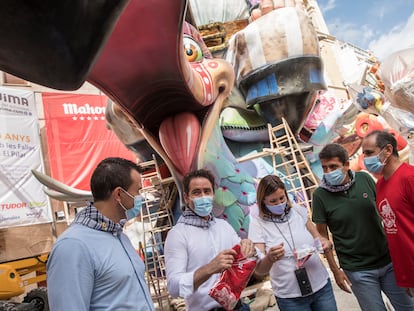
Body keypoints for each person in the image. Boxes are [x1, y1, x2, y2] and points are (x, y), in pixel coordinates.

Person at [312, 143, 414, 310]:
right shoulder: (320, 196)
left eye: (333, 166)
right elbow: (322, 236)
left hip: (388, 261)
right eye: (325, 168)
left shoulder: (364, 179)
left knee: (408, 307)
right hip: (357, 270)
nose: (329, 172)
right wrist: (335, 270)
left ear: (346, 165)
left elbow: (387, 213)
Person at [47, 157, 155, 311]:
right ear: (119, 194)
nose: (140, 198)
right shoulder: (73, 246)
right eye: (137, 191)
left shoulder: (119, 236)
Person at [164, 169, 256, 311]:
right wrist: (209, 269)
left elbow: (246, 260)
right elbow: (174, 287)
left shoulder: (223, 226)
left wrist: (248, 248)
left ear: (213, 195)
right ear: (186, 197)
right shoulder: (177, 235)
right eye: (196, 192)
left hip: (238, 307)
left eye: (207, 191)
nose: (203, 196)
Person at [248, 174, 337, 311]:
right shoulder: (257, 225)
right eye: (273, 201)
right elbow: (259, 270)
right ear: (263, 201)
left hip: (321, 287)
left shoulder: (297, 211)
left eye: (282, 198)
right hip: (290, 297)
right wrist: (269, 258)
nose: (279, 204)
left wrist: (323, 243)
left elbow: (318, 238)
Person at [362, 130, 414, 297]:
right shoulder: (380, 185)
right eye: (364, 154)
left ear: (388, 150)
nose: (365, 159)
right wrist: (404, 276)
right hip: (407, 270)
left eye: (369, 153)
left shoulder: (409, 178)